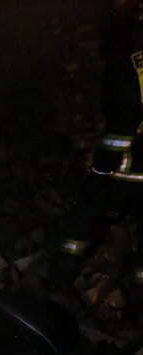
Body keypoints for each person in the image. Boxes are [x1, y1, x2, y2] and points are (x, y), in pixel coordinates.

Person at [54, 0, 143, 288]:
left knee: (88, 208)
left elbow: (124, 109)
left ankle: (60, 276)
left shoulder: (128, 50)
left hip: (126, 159)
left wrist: (104, 160)